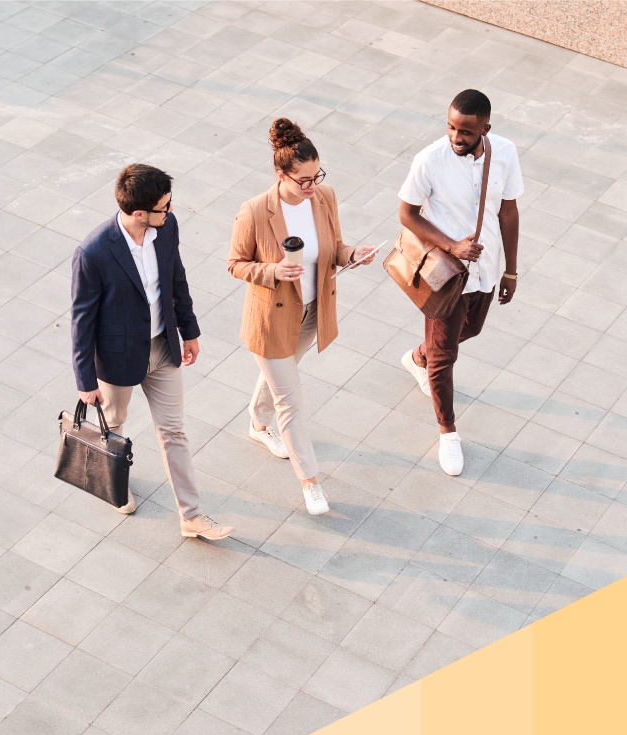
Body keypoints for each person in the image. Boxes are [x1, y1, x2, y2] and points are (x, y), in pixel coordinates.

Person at [71, 163, 233, 540]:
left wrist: (189, 330)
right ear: (139, 213)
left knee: (174, 432)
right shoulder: (93, 252)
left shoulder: (166, 228)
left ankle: (191, 516)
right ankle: (115, 483)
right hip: (117, 359)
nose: (171, 211)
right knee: (114, 428)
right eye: (164, 206)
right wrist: (85, 380)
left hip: (163, 348)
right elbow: (82, 321)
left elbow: (177, 277)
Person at [228, 118, 377, 515]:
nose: (312, 187)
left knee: (283, 376)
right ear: (282, 175)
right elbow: (235, 264)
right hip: (272, 318)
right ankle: (310, 482)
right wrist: (272, 271)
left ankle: (256, 425)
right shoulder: (256, 211)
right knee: (290, 401)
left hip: (312, 313)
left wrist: (351, 255)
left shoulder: (324, 197)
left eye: (317, 176)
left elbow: (335, 247)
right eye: (304, 181)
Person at [398, 89, 523, 476]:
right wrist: (452, 244)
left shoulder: (504, 152)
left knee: (471, 329)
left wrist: (511, 270)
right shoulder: (430, 160)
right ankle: (448, 432)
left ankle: (419, 356)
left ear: (485, 128)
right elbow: (407, 213)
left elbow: (509, 211)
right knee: (445, 358)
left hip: (486, 270)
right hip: (445, 276)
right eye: (451, 127)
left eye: (466, 132)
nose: (456, 137)